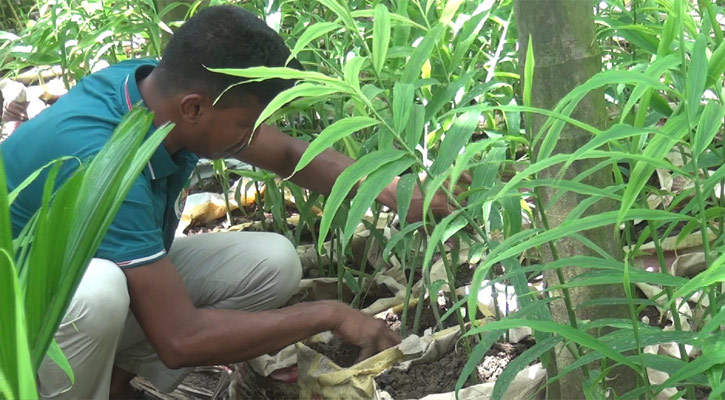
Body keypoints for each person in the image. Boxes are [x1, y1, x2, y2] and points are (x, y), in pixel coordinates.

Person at [1, 5, 454, 399]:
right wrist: (330, 314)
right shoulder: (102, 164)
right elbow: (180, 338)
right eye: (247, 122)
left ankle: (116, 384)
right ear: (195, 108)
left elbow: (287, 152)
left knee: (272, 263)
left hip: (60, 288)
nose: (252, 136)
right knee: (98, 293)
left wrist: (391, 188)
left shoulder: (157, 88)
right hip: (16, 326)